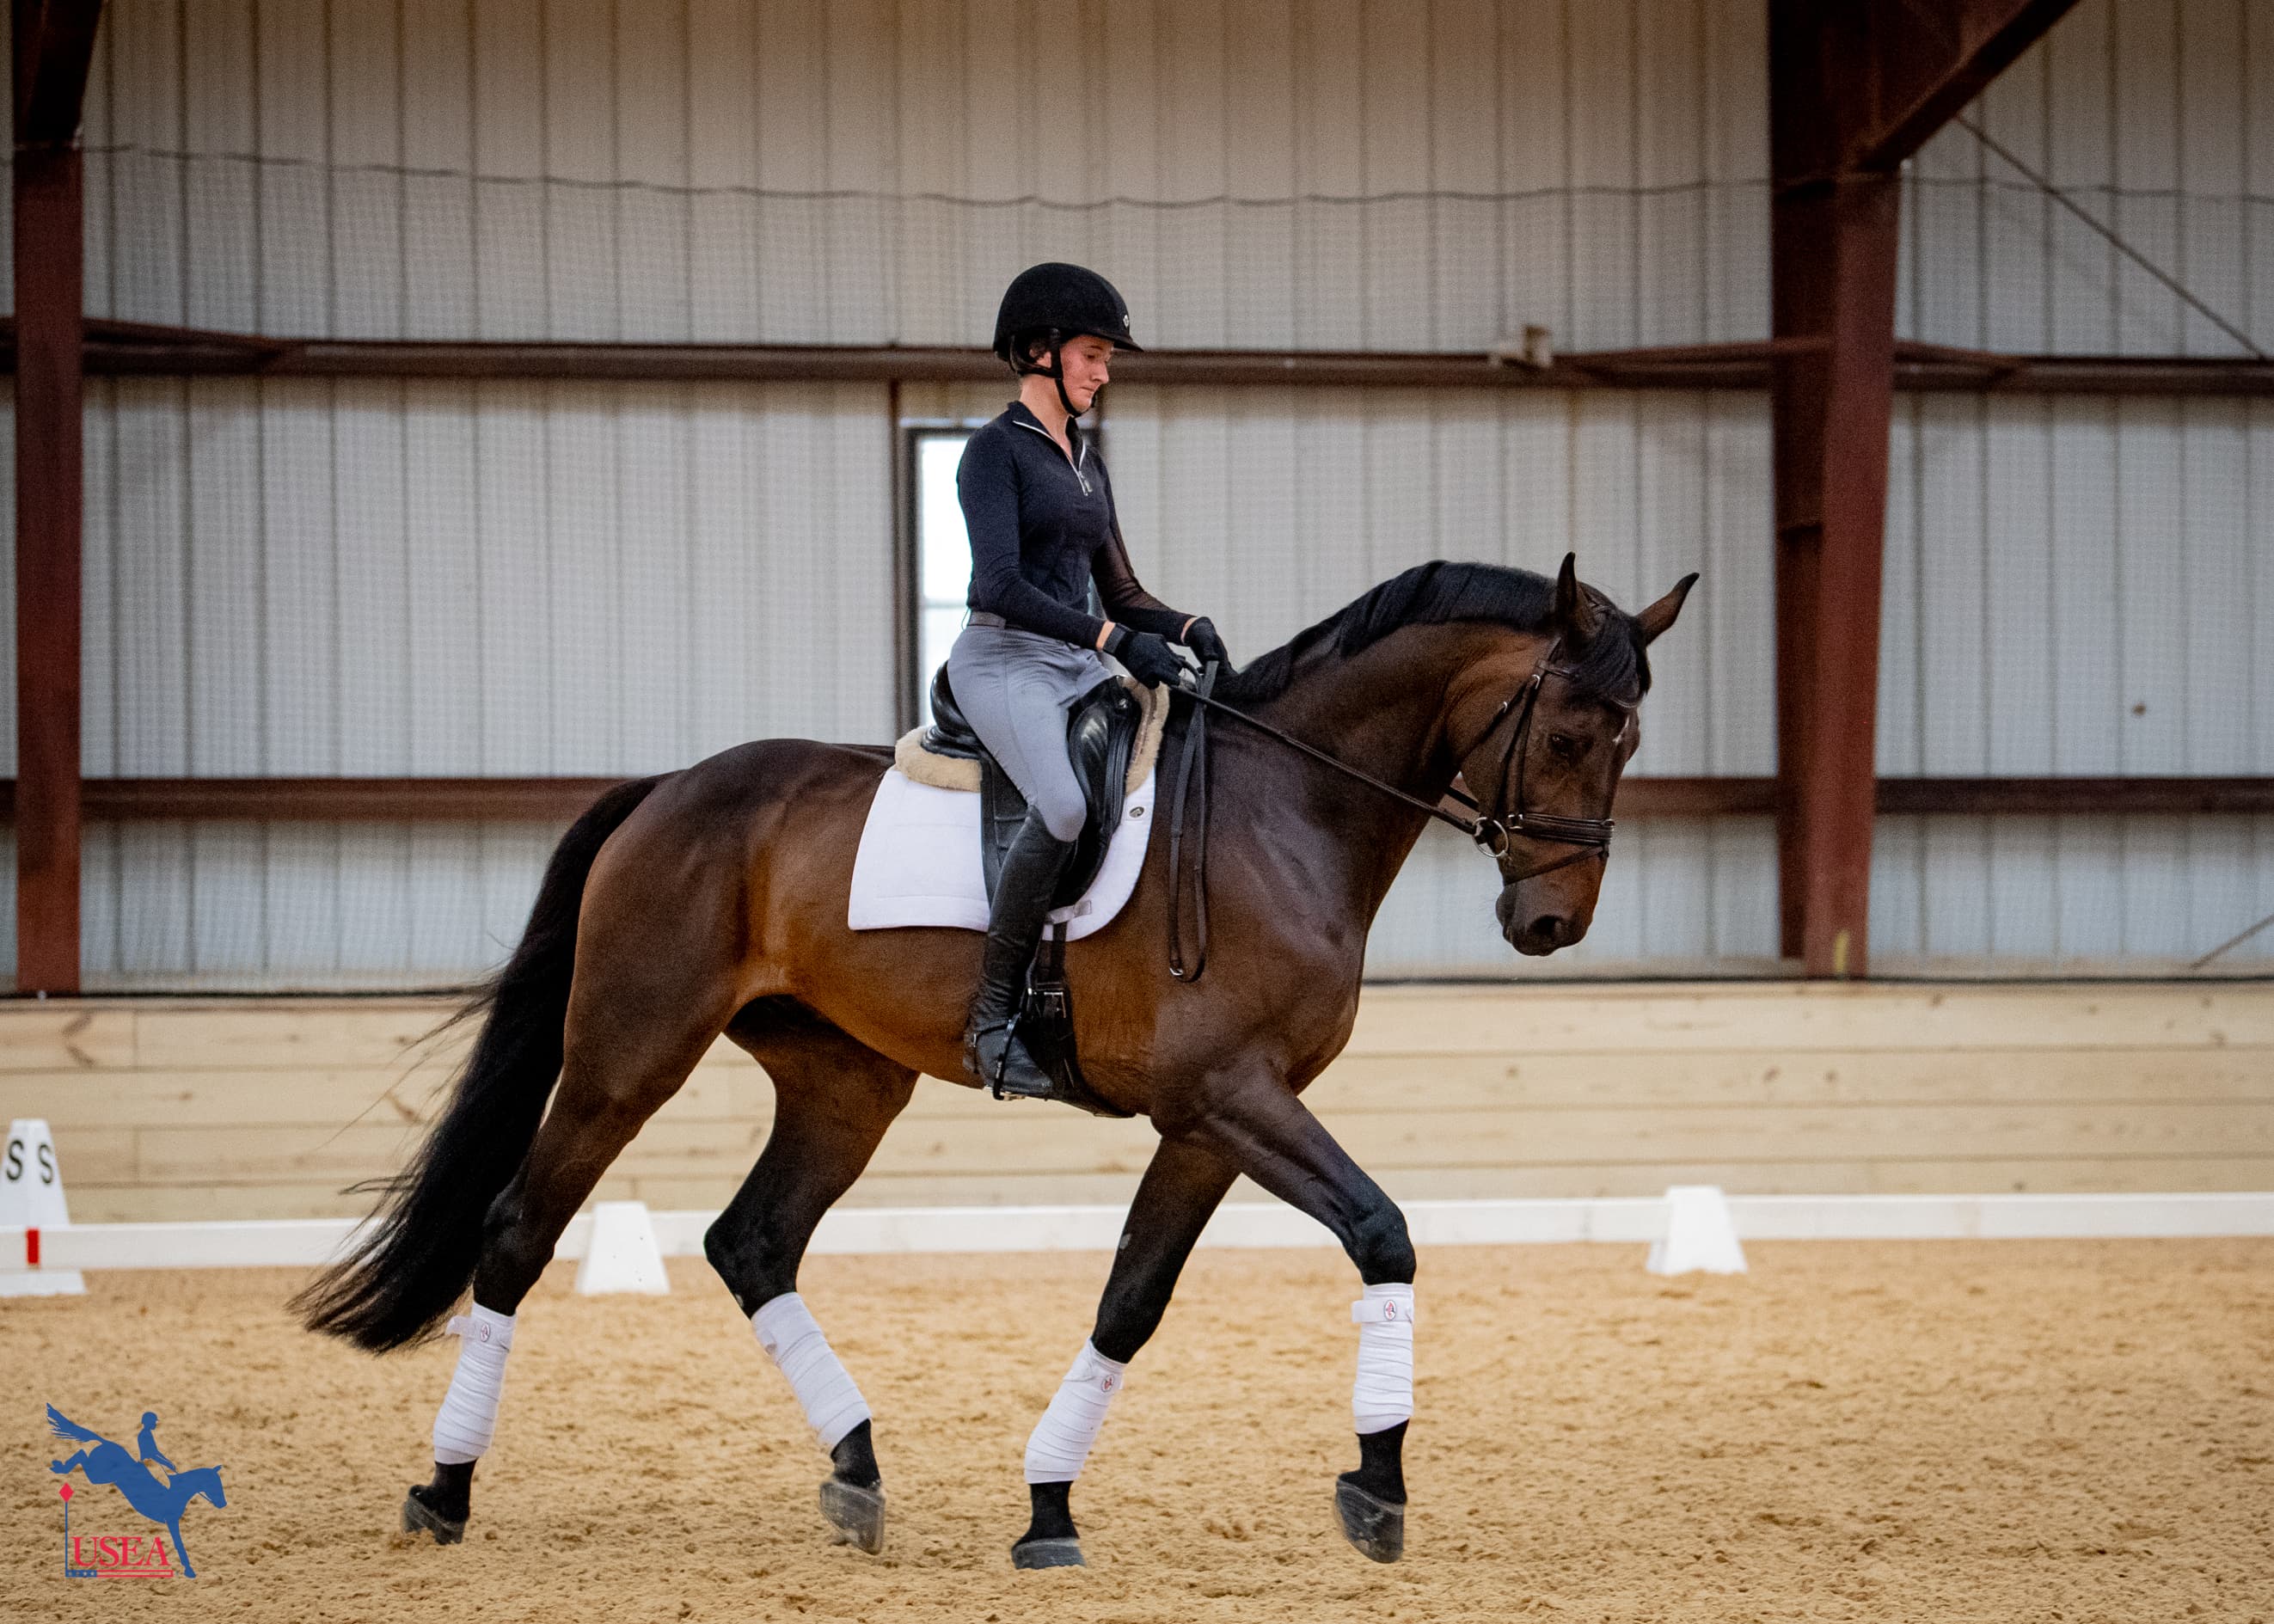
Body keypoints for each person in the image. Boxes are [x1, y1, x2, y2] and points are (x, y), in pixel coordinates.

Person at [949, 262, 1233, 1101]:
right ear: (1039, 351)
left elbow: (1123, 594)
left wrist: (1183, 627)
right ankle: (991, 1019)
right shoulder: (992, 453)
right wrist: (1116, 641)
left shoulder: (1086, 462)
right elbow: (999, 583)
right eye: (1093, 355)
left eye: (1105, 359)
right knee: (1066, 805)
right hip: (1002, 658)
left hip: (1074, 659)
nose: (1103, 373)